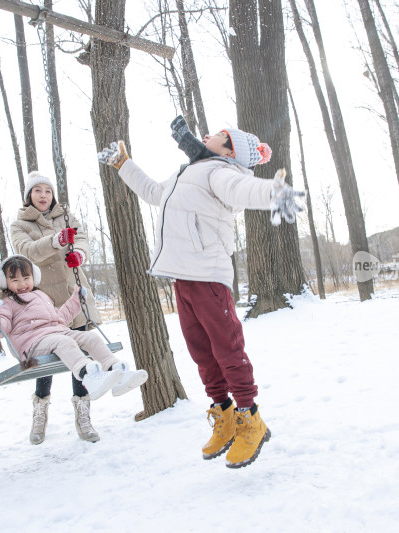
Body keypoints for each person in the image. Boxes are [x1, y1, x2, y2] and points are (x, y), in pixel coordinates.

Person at [97, 117, 303, 468]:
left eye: (218, 135)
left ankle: (250, 419)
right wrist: (123, 164)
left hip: (208, 276)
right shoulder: (187, 173)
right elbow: (151, 192)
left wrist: (273, 191)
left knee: (227, 348)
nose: (206, 135)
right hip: (183, 278)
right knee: (201, 353)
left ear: (230, 150)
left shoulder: (220, 172)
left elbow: (242, 190)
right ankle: (223, 415)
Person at [10, 172, 114, 444]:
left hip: (72, 294)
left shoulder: (65, 216)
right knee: (47, 363)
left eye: (47, 190)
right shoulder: (20, 224)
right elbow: (27, 251)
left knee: (79, 355)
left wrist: (79, 253)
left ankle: (83, 415)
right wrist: (56, 241)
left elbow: (82, 239)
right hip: (43, 301)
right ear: (28, 196)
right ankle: (40, 411)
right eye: (37, 191)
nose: (43, 195)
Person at [0, 255, 147, 415]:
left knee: (90, 337)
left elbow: (59, 317)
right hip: (33, 345)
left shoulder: (41, 295)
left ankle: (117, 373)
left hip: (57, 333)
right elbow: (1, 329)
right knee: (64, 341)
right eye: (15, 280)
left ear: (34, 277)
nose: (22, 284)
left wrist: (76, 300)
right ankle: (88, 377)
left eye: (26, 278)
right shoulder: (7, 303)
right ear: (4, 281)